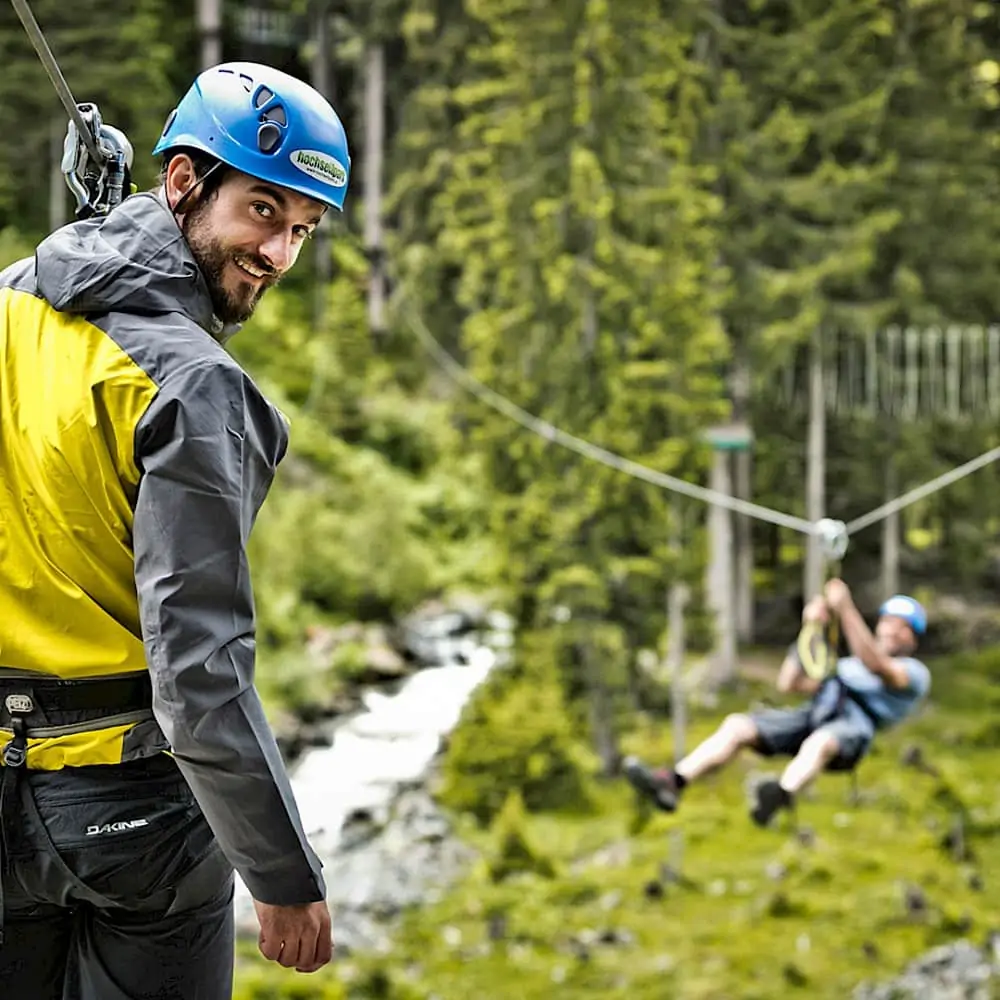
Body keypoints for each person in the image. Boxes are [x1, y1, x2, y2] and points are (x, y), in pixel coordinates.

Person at [0, 61, 350, 999]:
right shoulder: (194, 385)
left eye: (302, 232)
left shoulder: (8, 308)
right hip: (130, 816)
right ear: (186, 180)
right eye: (265, 210)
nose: (277, 253)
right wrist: (282, 876)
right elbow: (196, 665)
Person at [623, 580, 931, 828]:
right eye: (889, 621)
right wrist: (810, 629)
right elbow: (791, 683)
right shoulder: (849, 665)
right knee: (737, 726)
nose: (893, 629)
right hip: (816, 712)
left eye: (902, 626)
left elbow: (878, 666)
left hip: (853, 725)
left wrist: (845, 608)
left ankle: (781, 793)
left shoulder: (914, 674)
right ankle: (674, 781)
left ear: (912, 639)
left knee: (821, 741)